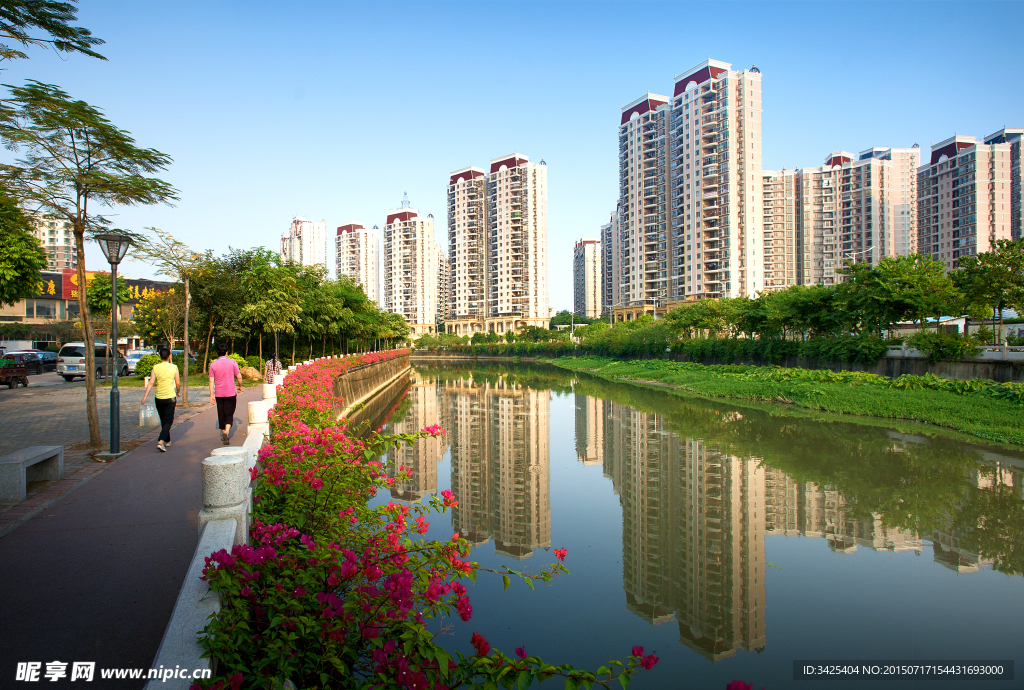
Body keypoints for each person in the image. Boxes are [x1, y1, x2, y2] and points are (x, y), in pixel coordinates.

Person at [141, 347, 181, 452]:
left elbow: (151, 382)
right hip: (170, 397)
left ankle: (168, 441)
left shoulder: (156, 367)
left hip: (158, 397)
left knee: (163, 420)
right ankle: (161, 440)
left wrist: (145, 396)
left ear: (160, 356)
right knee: (168, 420)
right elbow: (178, 383)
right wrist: (178, 391)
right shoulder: (174, 367)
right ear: (169, 356)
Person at [209, 343, 243, 445]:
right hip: (230, 393)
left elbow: (211, 381)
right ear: (227, 352)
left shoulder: (213, 364)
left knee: (221, 413)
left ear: (218, 352)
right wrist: (240, 386)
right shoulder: (232, 362)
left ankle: (223, 432)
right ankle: (227, 432)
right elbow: (239, 377)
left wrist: (211, 395)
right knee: (229, 413)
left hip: (219, 393)